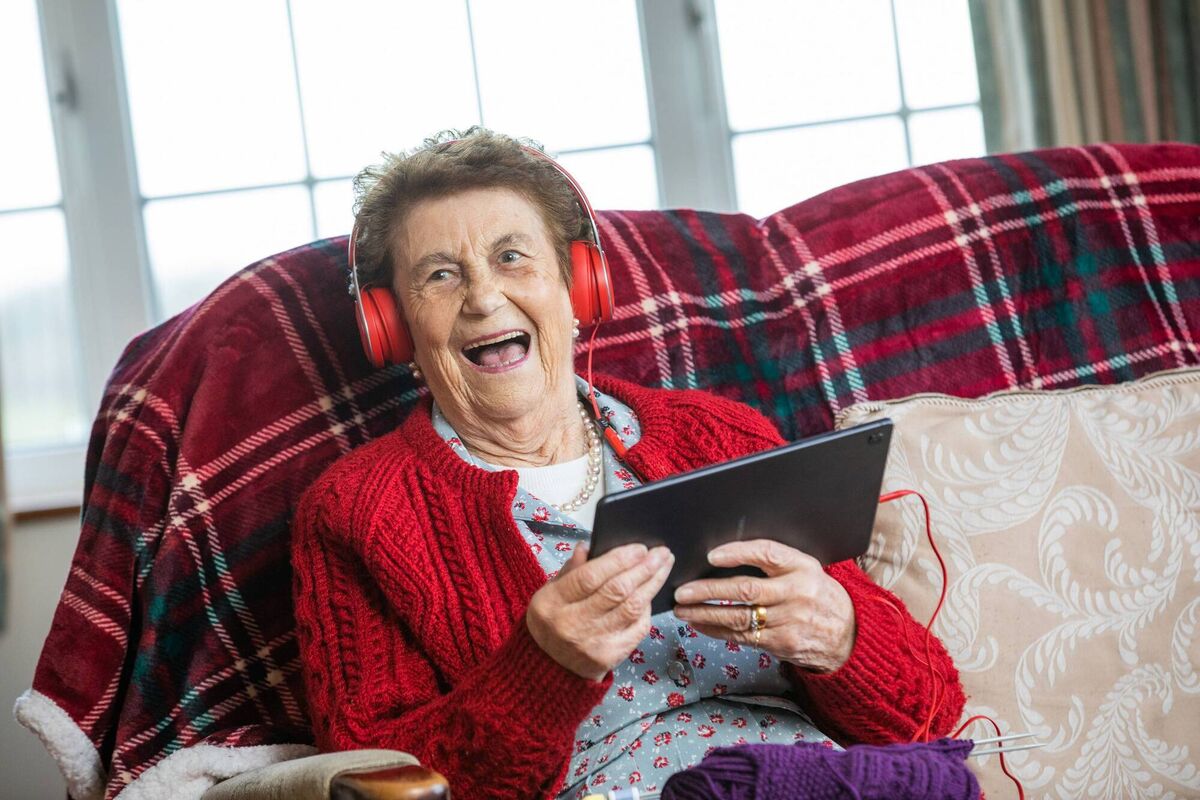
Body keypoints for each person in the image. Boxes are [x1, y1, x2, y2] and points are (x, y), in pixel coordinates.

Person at [291, 128, 965, 800]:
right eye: (441, 275)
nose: (484, 299)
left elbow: (928, 714)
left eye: (512, 258)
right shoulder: (357, 513)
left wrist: (838, 634)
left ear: (578, 290)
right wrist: (543, 671)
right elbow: (376, 787)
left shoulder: (720, 435)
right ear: (395, 327)